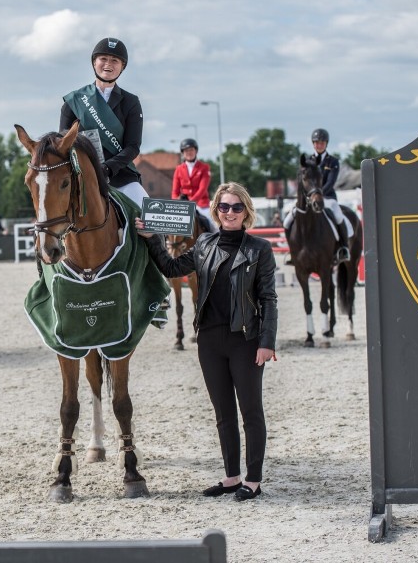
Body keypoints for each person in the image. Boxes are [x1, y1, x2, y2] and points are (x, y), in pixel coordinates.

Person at [135, 182, 278, 502]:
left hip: (246, 339)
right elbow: (171, 268)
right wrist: (152, 239)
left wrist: (267, 341)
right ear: (216, 211)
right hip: (209, 340)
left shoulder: (260, 250)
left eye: (236, 207)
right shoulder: (203, 244)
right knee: (223, 412)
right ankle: (231, 478)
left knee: (251, 412)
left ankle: (253, 481)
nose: (230, 212)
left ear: (246, 212)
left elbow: (268, 298)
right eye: (224, 207)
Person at [60, 37, 149, 208]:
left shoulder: (131, 102)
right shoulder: (74, 101)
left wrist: (107, 168)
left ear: (122, 67)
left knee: (150, 220)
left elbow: (133, 146)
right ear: (94, 62)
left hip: (121, 177)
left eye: (115, 60)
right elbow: (63, 145)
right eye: (103, 59)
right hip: (81, 176)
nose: (108, 64)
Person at [284, 128, 350, 263]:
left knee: (338, 216)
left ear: (326, 144)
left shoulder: (332, 162)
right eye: (316, 142)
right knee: (287, 221)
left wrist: (317, 194)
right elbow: (302, 182)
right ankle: (292, 252)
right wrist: (307, 196)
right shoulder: (307, 161)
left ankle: (343, 248)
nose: (319, 145)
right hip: (308, 198)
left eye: (322, 142)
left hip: (327, 197)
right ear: (313, 144)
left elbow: (331, 182)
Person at [172, 138, 216, 232]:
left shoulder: (204, 167)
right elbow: (175, 191)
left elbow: (202, 189)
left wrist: (191, 203)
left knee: (213, 226)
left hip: (201, 204)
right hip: (183, 204)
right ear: (183, 153)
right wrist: (176, 203)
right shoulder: (179, 169)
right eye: (186, 150)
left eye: (191, 150)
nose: (189, 152)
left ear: (196, 151)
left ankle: (216, 243)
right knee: (171, 226)